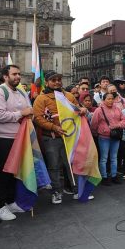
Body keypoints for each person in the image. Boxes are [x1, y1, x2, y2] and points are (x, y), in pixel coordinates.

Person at [0, 65, 33, 221]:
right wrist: (21, 114)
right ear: (5, 76)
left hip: (19, 138)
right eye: (14, 74)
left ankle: (10, 201)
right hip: (2, 139)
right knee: (1, 173)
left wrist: (27, 113)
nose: (18, 77)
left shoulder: (20, 91)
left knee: (14, 172)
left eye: (19, 74)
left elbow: (29, 109)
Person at [33, 70, 83, 203]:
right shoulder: (41, 98)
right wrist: (53, 127)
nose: (57, 82)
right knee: (54, 166)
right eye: (53, 80)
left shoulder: (69, 96)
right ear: (47, 82)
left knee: (71, 164)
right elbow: (37, 118)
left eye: (59, 79)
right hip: (51, 138)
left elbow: (77, 109)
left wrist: (82, 110)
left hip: (69, 137)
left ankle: (77, 189)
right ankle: (56, 192)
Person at [89, 85, 125, 185]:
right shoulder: (99, 110)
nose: (110, 100)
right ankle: (104, 177)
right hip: (104, 137)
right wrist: (99, 133)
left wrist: (116, 125)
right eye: (108, 99)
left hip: (116, 137)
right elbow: (94, 124)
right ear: (104, 99)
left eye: (112, 99)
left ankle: (114, 176)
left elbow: (124, 120)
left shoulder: (118, 109)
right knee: (104, 158)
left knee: (114, 157)